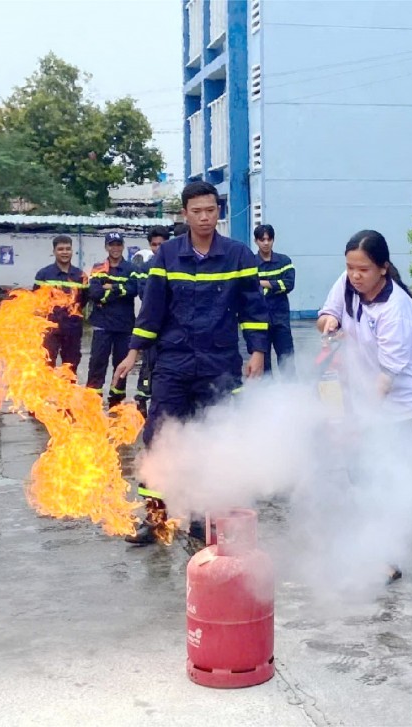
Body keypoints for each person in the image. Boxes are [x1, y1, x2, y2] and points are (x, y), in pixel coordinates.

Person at [112, 181, 270, 545]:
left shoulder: (238, 255)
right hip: (173, 363)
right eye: (197, 211)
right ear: (184, 213)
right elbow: (152, 310)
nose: (204, 217)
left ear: (219, 212)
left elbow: (253, 308)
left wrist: (258, 350)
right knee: (159, 438)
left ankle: (202, 519)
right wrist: (134, 351)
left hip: (219, 364)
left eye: (211, 210)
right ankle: (156, 518)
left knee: (210, 440)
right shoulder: (167, 255)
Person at [317, 230, 412, 583]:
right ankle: (367, 546)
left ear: (383, 268)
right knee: (361, 476)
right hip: (361, 392)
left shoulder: (399, 310)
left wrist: (356, 423)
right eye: (350, 268)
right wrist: (330, 323)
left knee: (387, 479)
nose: (355, 275)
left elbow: (385, 381)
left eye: (363, 269)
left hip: (396, 404)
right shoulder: (349, 283)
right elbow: (325, 315)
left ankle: (389, 558)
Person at [85, 233, 140, 407]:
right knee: (97, 362)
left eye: (118, 245)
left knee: (121, 363)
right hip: (102, 324)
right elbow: (94, 293)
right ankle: (93, 398)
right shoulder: (98, 267)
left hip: (124, 325)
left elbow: (133, 290)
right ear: (106, 247)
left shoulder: (131, 268)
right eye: (111, 245)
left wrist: (109, 289)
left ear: (123, 246)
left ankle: (116, 398)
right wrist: (118, 290)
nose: (115, 248)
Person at [33, 234, 87, 374]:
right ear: (54, 252)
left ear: (72, 251)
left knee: (70, 366)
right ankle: (45, 395)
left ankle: (67, 395)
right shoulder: (44, 275)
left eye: (68, 249)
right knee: (46, 365)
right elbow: (36, 300)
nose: (64, 252)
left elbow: (84, 300)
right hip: (50, 328)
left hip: (72, 329)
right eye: (61, 249)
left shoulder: (80, 276)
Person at [132, 226, 171, 416]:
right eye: (154, 245)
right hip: (152, 325)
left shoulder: (176, 265)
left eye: (161, 244)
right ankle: (142, 400)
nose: (157, 248)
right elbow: (144, 295)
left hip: (172, 326)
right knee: (148, 363)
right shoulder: (145, 269)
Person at [254, 224, 296, 374]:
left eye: (269, 239)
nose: (266, 243)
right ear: (256, 241)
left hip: (280, 320)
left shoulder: (284, 261)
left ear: (273, 240)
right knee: (263, 366)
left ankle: (291, 392)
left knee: (287, 361)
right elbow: (250, 289)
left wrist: (263, 283)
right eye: (262, 239)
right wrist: (276, 285)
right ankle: (268, 395)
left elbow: (289, 285)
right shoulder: (250, 264)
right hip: (260, 321)